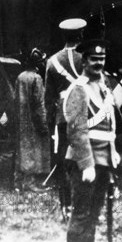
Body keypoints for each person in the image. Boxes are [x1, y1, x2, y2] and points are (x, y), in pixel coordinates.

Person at [64, 39, 120, 242]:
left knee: (94, 215)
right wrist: (86, 164)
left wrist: (113, 152)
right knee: (81, 215)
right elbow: (77, 131)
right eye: (94, 59)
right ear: (84, 61)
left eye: (102, 59)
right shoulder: (79, 89)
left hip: (103, 159)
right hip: (84, 161)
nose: (99, 63)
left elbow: (110, 125)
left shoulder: (104, 87)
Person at [45, 18, 87, 218]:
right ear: (80, 35)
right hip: (86, 117)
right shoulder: (87, 59)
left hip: (63, 119)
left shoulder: (52, 62)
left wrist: (49, 124)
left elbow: (49, 98)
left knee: (64, 162)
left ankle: (66, 207)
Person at [14, 48, 51, 192]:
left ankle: (17, 181)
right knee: (32, 150)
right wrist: (43, 124)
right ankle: (29, 182)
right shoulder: (37, 78)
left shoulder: (20, 77)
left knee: (21, 149)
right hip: (33, 121)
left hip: (21, 119)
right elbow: (39, 103)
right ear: (38, 63)